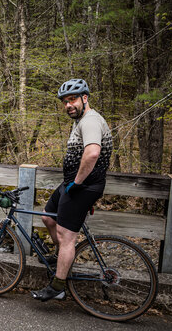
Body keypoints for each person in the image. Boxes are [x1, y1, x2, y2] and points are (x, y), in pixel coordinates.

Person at [31, 78, 113, 302]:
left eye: (73, 99)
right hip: (73, 185)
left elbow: (93, 153)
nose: (69, 105)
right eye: (65, 101)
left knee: (66, 237)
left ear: (85, 98)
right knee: (48, 218)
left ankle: (58, 286)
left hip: (81, 187)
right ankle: (62, 260)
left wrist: (77, 183)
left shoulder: (90, 121)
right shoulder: (81, 120)